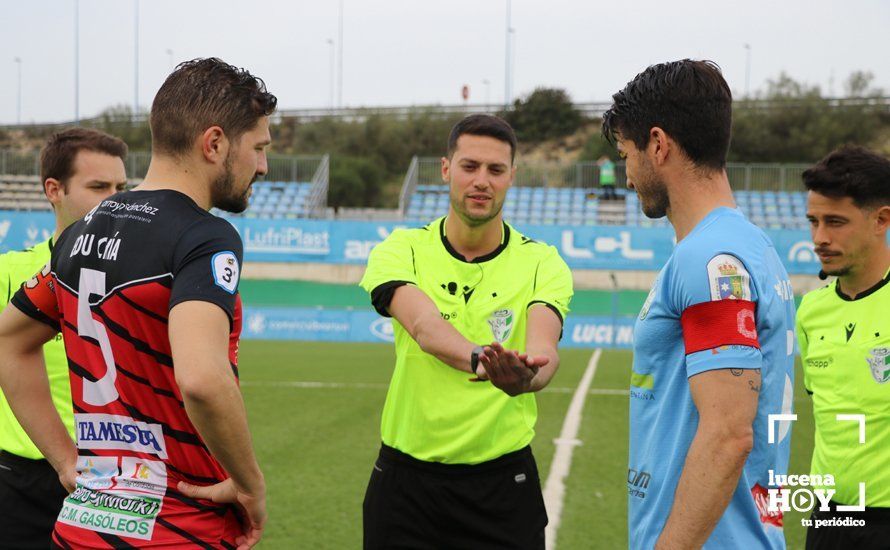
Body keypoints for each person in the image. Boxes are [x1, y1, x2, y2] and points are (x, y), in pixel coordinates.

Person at [0, 57, 275, 549]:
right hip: (178, 527)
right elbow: (203, 379)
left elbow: (8, 341)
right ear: (214, 144)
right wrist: (250, 483)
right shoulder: (204, 236)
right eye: (257, 148)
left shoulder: (80, 233)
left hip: (84, 526)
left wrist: (67, 462)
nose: (263, 166)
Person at [602, 59, 795, 549]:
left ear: (658, 145)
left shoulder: (710, 258)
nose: (626, 175)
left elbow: (729, 434)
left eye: (627, 153)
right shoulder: (752, 246)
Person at [359, 113, 573, 549]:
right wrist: (481, 359)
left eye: (496, 170)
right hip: (405, 487)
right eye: (469, 166)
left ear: (512, 177)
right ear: (445, 169)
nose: (482, 181)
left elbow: (543, 347)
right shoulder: (402, 249)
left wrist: (529, 376)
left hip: (503, 487)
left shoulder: (542, 262)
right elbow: (424, 326)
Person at [0, 128, 127, 549]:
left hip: (115, 480)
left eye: (120, 188)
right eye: (98, 187)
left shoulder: (142, 282)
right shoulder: (10, 272)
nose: (115, 200)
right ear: (54, 189)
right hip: (16, 482)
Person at [796, 146, 890, 549]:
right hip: (829, 520)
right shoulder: (811, 311)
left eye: (835, 222)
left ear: (881, 220)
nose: (820, 238)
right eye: (814, 222)